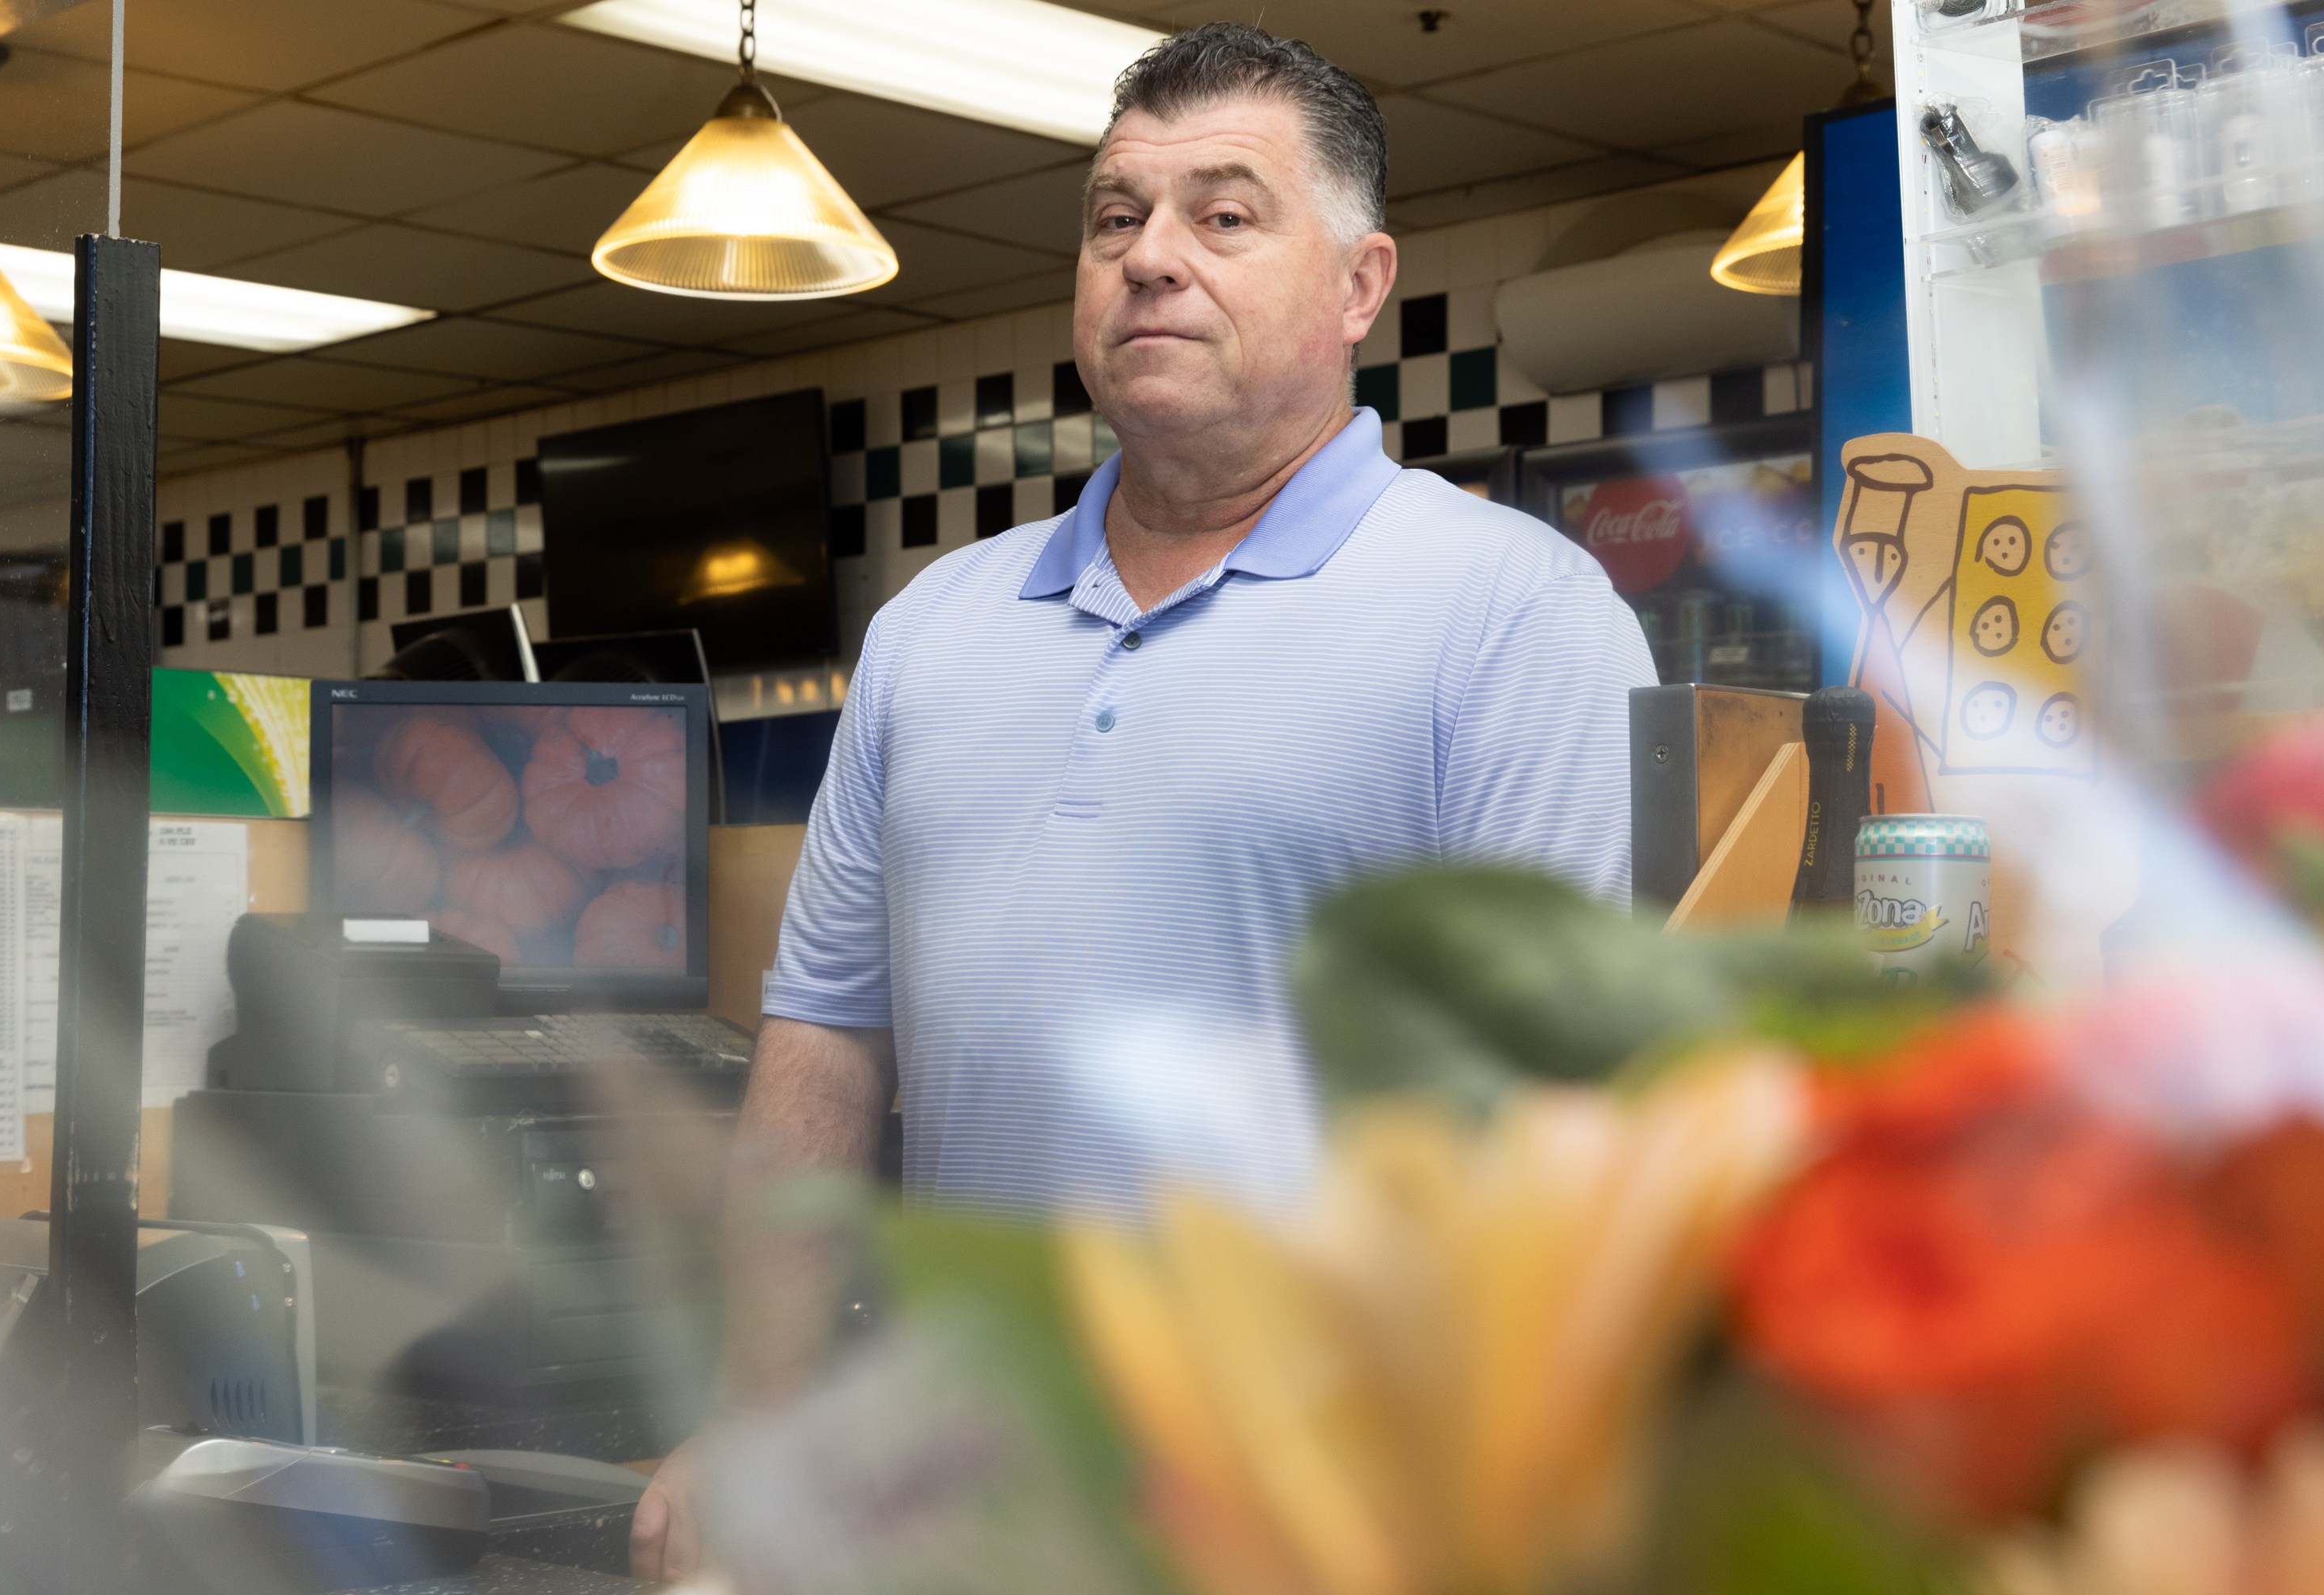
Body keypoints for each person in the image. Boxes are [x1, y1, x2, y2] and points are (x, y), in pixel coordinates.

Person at [630, 22, 1656, 1580]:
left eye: (1224, 216)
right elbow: (828, 1047)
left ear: (1361, 286)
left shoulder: (1513, 613)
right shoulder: (928, 634)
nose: (1152, 258)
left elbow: (1549, 1126)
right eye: (1117, 218)